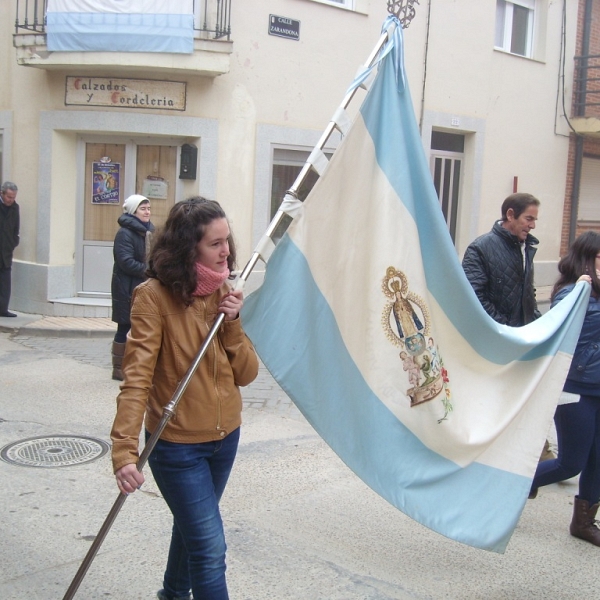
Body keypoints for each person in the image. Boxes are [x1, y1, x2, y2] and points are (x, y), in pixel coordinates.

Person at [110, 197, 259, 600]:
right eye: (215, 243)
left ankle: (173, 594)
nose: (226, 251)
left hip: (225, 437)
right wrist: (124, 449)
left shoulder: (225, 292)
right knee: (210, 549)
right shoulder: (153, 297)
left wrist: (233, 323)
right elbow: (136, 379)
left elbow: (247, 374)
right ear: (187, 247)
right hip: (177, 446)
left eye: (227, 240)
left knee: (192, 528)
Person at [462, 192, 554, 460]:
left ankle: (536, 450)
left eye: (535, 219)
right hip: (495, 341)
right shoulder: (480, 248)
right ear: (510, 215)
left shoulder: (527, 248)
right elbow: (473, 297)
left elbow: (528, 293)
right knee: (494, 399)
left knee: (523, 394)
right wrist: (505, 330)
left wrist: (538, 325)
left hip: (521, 340)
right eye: (529, 218)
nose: (533, 225)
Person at [528, 231, 600, 547]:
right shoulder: (573, 291)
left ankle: (584, 522)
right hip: (575, 387)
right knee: (571, 462)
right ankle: (513, 486)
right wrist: (580, 291)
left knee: (598, 460)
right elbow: (561, 329)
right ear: (587, 259)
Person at [110, 194, 154, 380]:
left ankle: (135, 365)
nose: (147, 212)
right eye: (143, 209)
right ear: (132, 211)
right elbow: (126, 262)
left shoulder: (148, 231)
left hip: (142, 286)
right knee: (124, 326)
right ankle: (118, 368)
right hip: (126, 288)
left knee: (140, 328)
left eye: (148, 208)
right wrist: (150, 271)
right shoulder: (125, 233)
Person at [0, 181, 20, 318]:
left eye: (13, 197)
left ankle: (3, 310)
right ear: (2, 194)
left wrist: (14, 242)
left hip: (6, 251)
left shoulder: (15, 207)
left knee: (5, 284)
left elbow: (16, 228)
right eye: (9, 197)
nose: (11, 200)